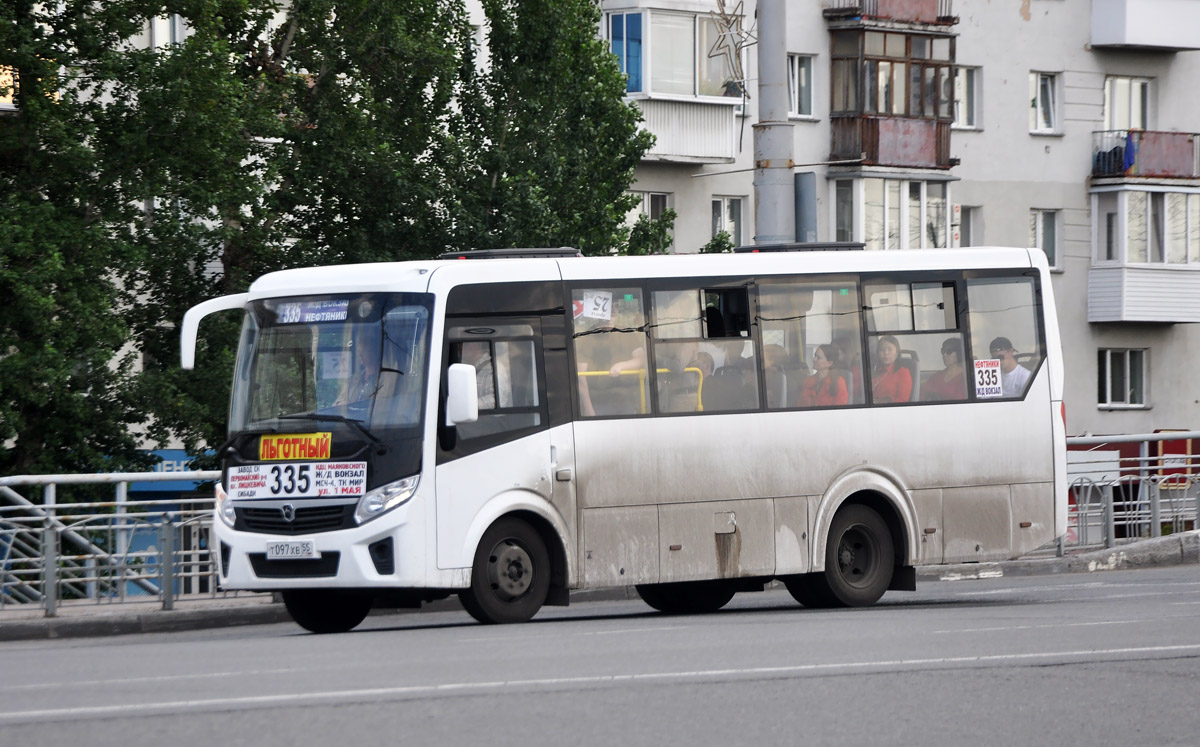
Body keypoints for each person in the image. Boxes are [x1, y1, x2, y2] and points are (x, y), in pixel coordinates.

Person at [922, 337, 967, 402]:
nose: (944, 355)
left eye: (949, 351)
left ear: (959, 353)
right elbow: (922, 396)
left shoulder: (965, 378)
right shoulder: (936, 376)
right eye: (943, 351)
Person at [871, 334, 912, 403]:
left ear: (897, 353)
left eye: (890, 349)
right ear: (877, 353)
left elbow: (902, 401)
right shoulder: (874, 371)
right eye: (882, 349)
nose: (886, 353)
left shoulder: (903, 373)